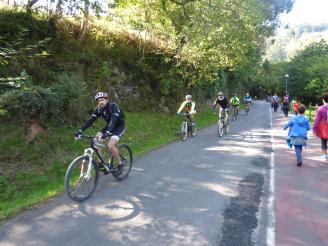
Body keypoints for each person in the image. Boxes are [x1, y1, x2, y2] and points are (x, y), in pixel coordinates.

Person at [74, 92, 125, 174]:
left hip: (119, 127)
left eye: (102, 100)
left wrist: (107, 132)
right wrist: (80, 131)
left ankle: (120, 163)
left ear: (107, 100)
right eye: (98, 100)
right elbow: (90, 121)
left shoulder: (113, 106)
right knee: (96, 138)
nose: (100, 102)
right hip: (109, 126)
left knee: (110, 146)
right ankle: (101, 162)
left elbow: (114, 120)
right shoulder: (98, 109)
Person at [313, 93, 328, 160]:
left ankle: (325, 155)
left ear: (323, 100)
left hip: (324, 128)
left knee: (323, 142)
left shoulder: (321, 109)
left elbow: (317, 120)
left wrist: (314, 128)